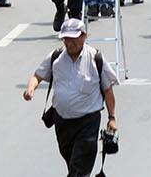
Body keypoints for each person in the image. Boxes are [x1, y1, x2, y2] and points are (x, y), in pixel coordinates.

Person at [23, 18, 119, 177]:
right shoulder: (56, 57)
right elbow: (37, 75)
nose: (69, 43)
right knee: (72, 164)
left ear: (83, 36)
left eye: (72, 39)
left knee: (79, 168)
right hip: (62, 123)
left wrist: (112, 117)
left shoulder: (96, 59)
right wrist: (30, 89)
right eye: (66, 39)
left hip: (88, 123)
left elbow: (108, 91)